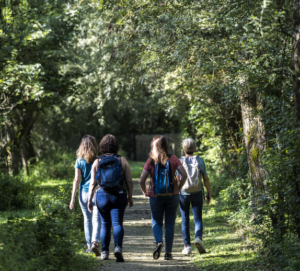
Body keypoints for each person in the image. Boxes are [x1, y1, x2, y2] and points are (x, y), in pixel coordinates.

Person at [139, 135, 187, 261]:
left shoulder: (150, 161)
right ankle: (168, 253)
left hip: (155, 196)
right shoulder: (173, 159)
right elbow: (184, 175)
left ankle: (159, 241)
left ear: (153, 146)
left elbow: (142, 180)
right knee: (170, 223)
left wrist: (145, 192)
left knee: (156, 221)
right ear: (166, 145)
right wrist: (179, 187)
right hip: (173, 194)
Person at [87, 134, 133, 262]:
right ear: (116, 146)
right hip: (118, 195)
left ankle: (105, 252)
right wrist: (130, 196)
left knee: (105, 225)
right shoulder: (122, 160)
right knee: (117, 223)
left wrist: (90, 199)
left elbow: (92, 183)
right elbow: (129, 181)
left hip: (102, 195)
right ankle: (118, 248)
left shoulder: (97, 161)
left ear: (102, 146)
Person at [177, 138, 211, 255]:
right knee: (198, 219)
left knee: (185, 220)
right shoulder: (200, 161)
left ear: (184, 149)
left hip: (183, 194)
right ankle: (198, 238)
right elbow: (205, 178)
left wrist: (177, 191)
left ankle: (187, 246)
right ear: (195, 148)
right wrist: (209, 193)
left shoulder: (180, 161)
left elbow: (177, 179)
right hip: (197, 192)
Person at [69, 135, 101, 256]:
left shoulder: (79, 161)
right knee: (96, 218)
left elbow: (76, 180)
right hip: (96, 192)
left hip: (83, 193)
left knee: (87, 220)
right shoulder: (98, 160)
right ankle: (95, 242)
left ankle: (88, 246)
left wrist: (72, 198)